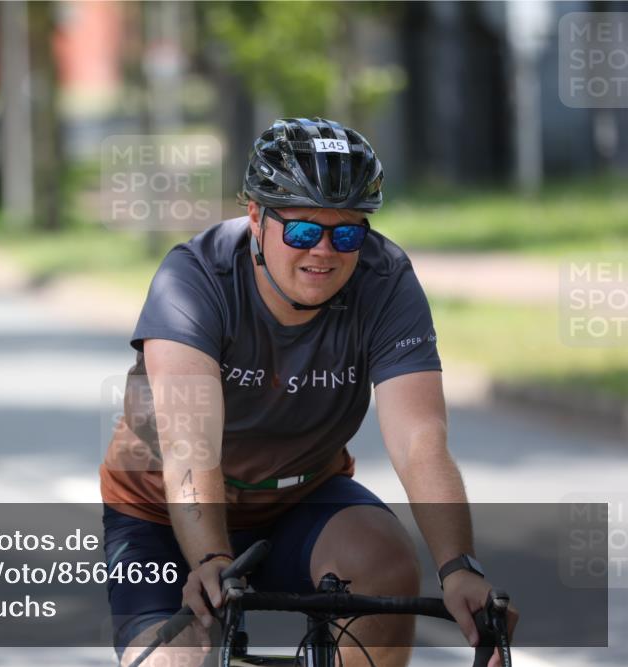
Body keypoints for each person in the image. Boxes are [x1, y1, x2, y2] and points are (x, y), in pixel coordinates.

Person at [99, 117, 518, 667]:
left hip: (301, 500)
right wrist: (210, 558)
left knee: (384, 558)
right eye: (301, 231)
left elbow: (420, 441)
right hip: (162, 512)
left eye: (346, 232)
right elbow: (189, 446)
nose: (324, 251)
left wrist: (459, 566)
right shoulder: (193, 279)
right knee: (172, 661)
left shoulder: (384, 280)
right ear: (255, 217)